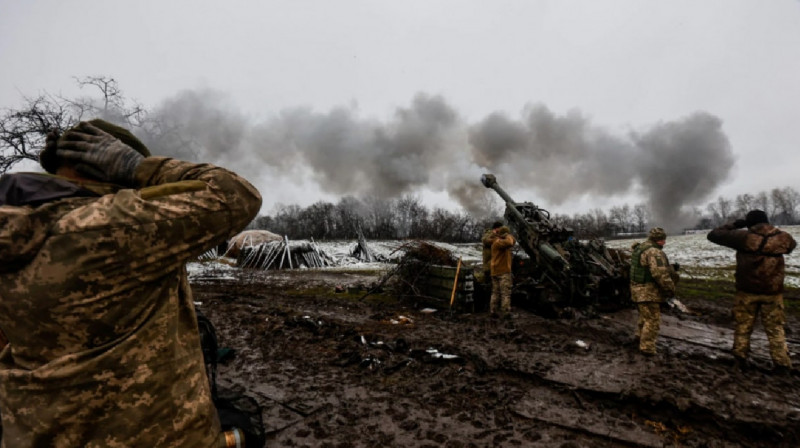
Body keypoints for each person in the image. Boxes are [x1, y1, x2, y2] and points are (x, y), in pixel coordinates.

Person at [0, 119, 262, 446]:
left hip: (35, 431)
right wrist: (138, 167)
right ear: (105, 163)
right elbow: (236, 194)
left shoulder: (12, 232)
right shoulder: (114, 224)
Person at [707, 210, 796, 373]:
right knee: (775, 329)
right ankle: (782, 363)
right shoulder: (783, 237)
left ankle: (740, 360)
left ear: (749, 223)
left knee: (743, 326)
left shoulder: (743, 237)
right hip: (772, 293)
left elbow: (713, 235)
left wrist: (735, 225)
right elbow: (791, 246)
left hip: (747, 291)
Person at [629, 227, 678, 355]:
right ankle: (647, 347)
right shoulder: (654, 252)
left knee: (644, 316)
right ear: (657, 239)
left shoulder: (640, 248)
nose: (664, 242)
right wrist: (670, 289)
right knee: (652, 320)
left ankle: (639, 337)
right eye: (662, 239)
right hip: (648, 292)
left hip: (637, 290)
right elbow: (659, 274)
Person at [488, 221, 516, 317]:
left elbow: (513, 241)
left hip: (495, 271)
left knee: (495, 292)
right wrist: (507, 235)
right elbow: (510, 242)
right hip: (503, 271)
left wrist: (505, 235)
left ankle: (493, 311)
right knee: (505, 293)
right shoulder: (499, 242)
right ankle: (506, 312)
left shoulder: (495, 242)